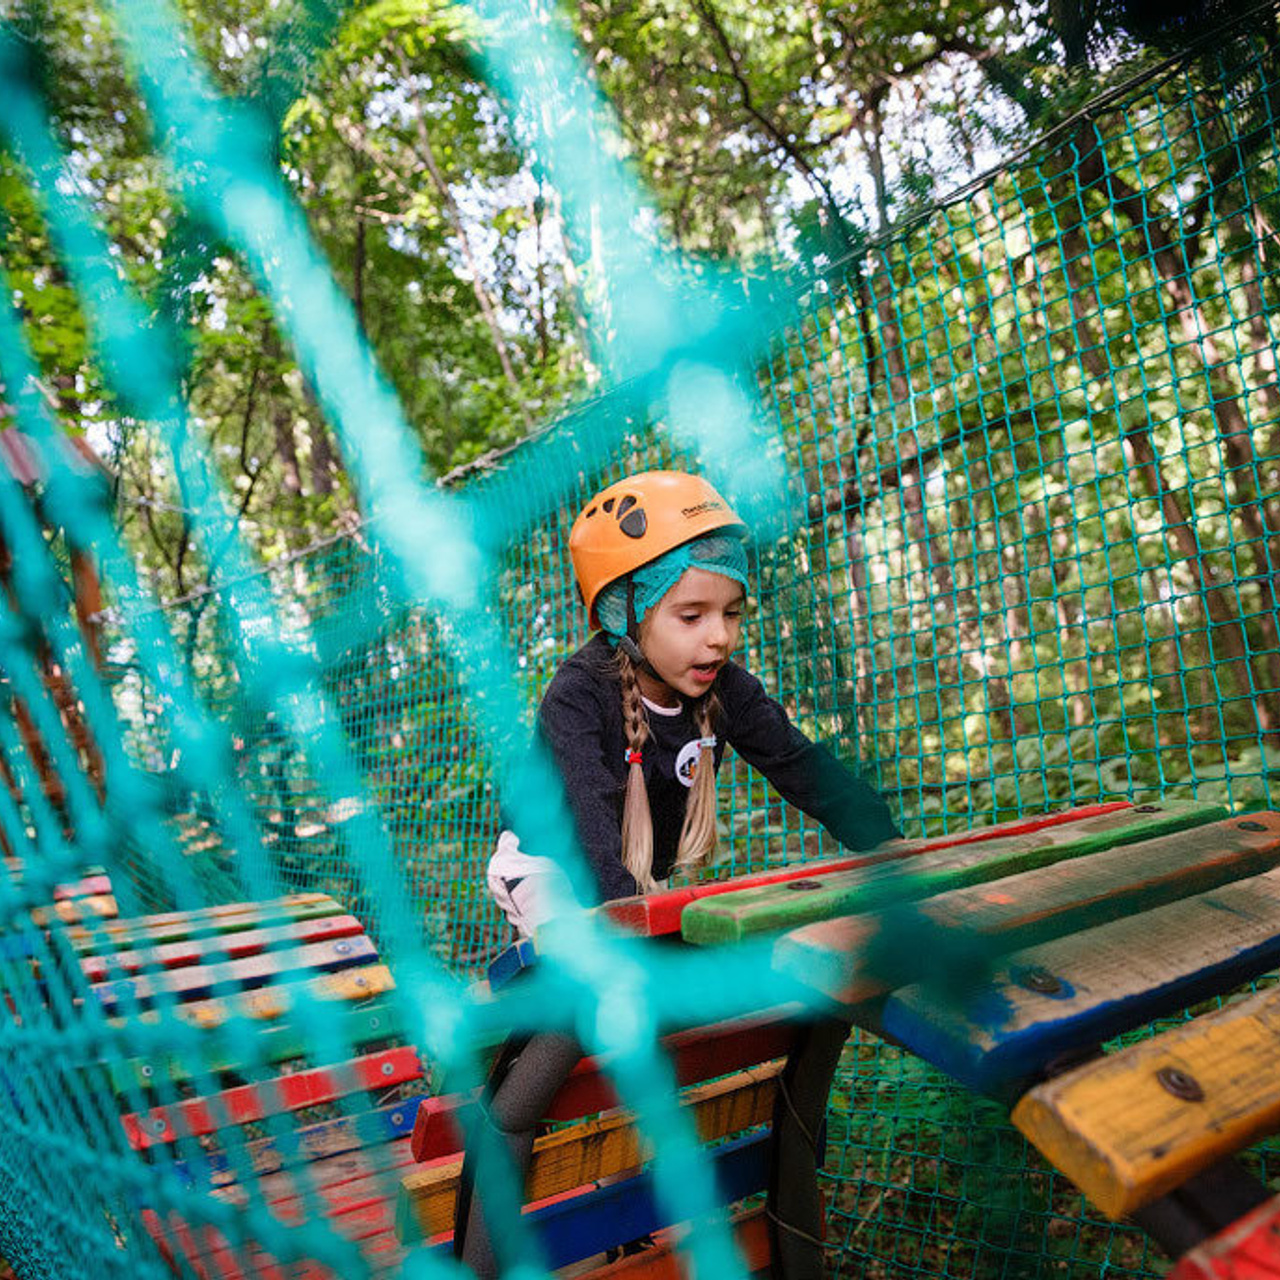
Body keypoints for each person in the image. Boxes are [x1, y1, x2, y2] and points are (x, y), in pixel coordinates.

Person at [455, 469, 900, 1277]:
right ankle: (529, 1164)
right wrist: (631, 924)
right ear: (625, 612)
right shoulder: (576, 696)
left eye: (731, 614)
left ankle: (627, 1179)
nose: (720, 637)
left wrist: (883, 837)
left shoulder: (724, 690)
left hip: (633, 878)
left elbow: (795, 762)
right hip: (552, 869)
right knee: (601, 997)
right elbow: (587, 820)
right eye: (691, 615)